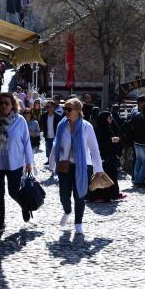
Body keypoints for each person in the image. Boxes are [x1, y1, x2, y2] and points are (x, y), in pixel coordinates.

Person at [49, 98, 106, 235]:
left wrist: (99, 170)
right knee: (64, 195)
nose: (66, 112)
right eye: (65, 109)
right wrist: (52, 162)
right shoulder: (62, 125)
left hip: (83, 165)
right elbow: (56, 145)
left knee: (79, 195)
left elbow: (94, 149)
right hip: (65, 164)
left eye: (69, 109)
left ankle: (78, 222)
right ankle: (67, 211)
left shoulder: (87, 127)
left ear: (78, 111)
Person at [0, 93, 34, 233]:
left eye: (7, 103)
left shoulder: (20, 121)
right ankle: (0, 221)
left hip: (14, 163)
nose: (3, 106)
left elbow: (26, 142)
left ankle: (24, 205)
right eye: (1, 103)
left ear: (12, 105)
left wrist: (29, 161)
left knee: (13, 191)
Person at [88, 111, 124, 202]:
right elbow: (99, 144)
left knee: (111, 175)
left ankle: (113, 194)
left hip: (109, 156)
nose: (111, 120)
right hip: (103, 157)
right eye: (109, 118)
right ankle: (99, 196)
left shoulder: (108, 128)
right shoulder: (98, 130)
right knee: (102, 176)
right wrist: (111, 140)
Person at [131, 102, 145, 188]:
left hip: (136, 141)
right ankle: (139, 181)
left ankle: (136, 179)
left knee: (138, 161)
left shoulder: (137, 115)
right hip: (144, 143)